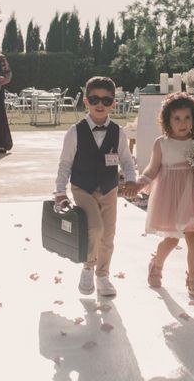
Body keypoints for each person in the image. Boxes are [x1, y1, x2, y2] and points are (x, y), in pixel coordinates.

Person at [54, 76, 140, 296]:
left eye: (105, 100)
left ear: (114, 103)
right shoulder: (75, 132)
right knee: (94, 228)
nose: (100, 104)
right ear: (86, 102)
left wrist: (131, 179)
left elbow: (127, 160)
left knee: (108, 235)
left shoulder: (118, 132)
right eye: (94, 99)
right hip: (83, 188)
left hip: (109, 189)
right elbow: (65, 163)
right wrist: (59, 191)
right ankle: (88, 268)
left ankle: (103, 276)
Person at [136, 92, 194, 300]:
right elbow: (151, 170)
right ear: (167, 120)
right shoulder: (162, 143)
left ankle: (193, 282)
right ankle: (156, 264)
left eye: (187, 117)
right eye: (177, 118)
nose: (183, 123)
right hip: (170, 198)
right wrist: (139, 183)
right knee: (172, 239)